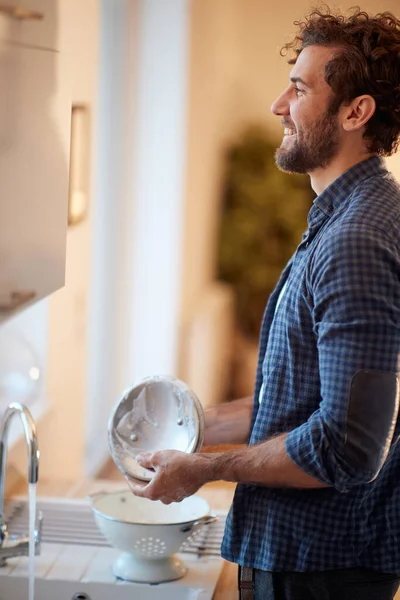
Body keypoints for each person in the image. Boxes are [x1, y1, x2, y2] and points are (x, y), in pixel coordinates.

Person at [127, 7, 400, 599]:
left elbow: (347, 448)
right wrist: (192, 422)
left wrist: (208, 467)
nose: (279, 105)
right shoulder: (347, 219)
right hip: (314, 562)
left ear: (355, 112)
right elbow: (304, 401)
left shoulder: (356, 239)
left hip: (321, 569)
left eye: (299, 89)